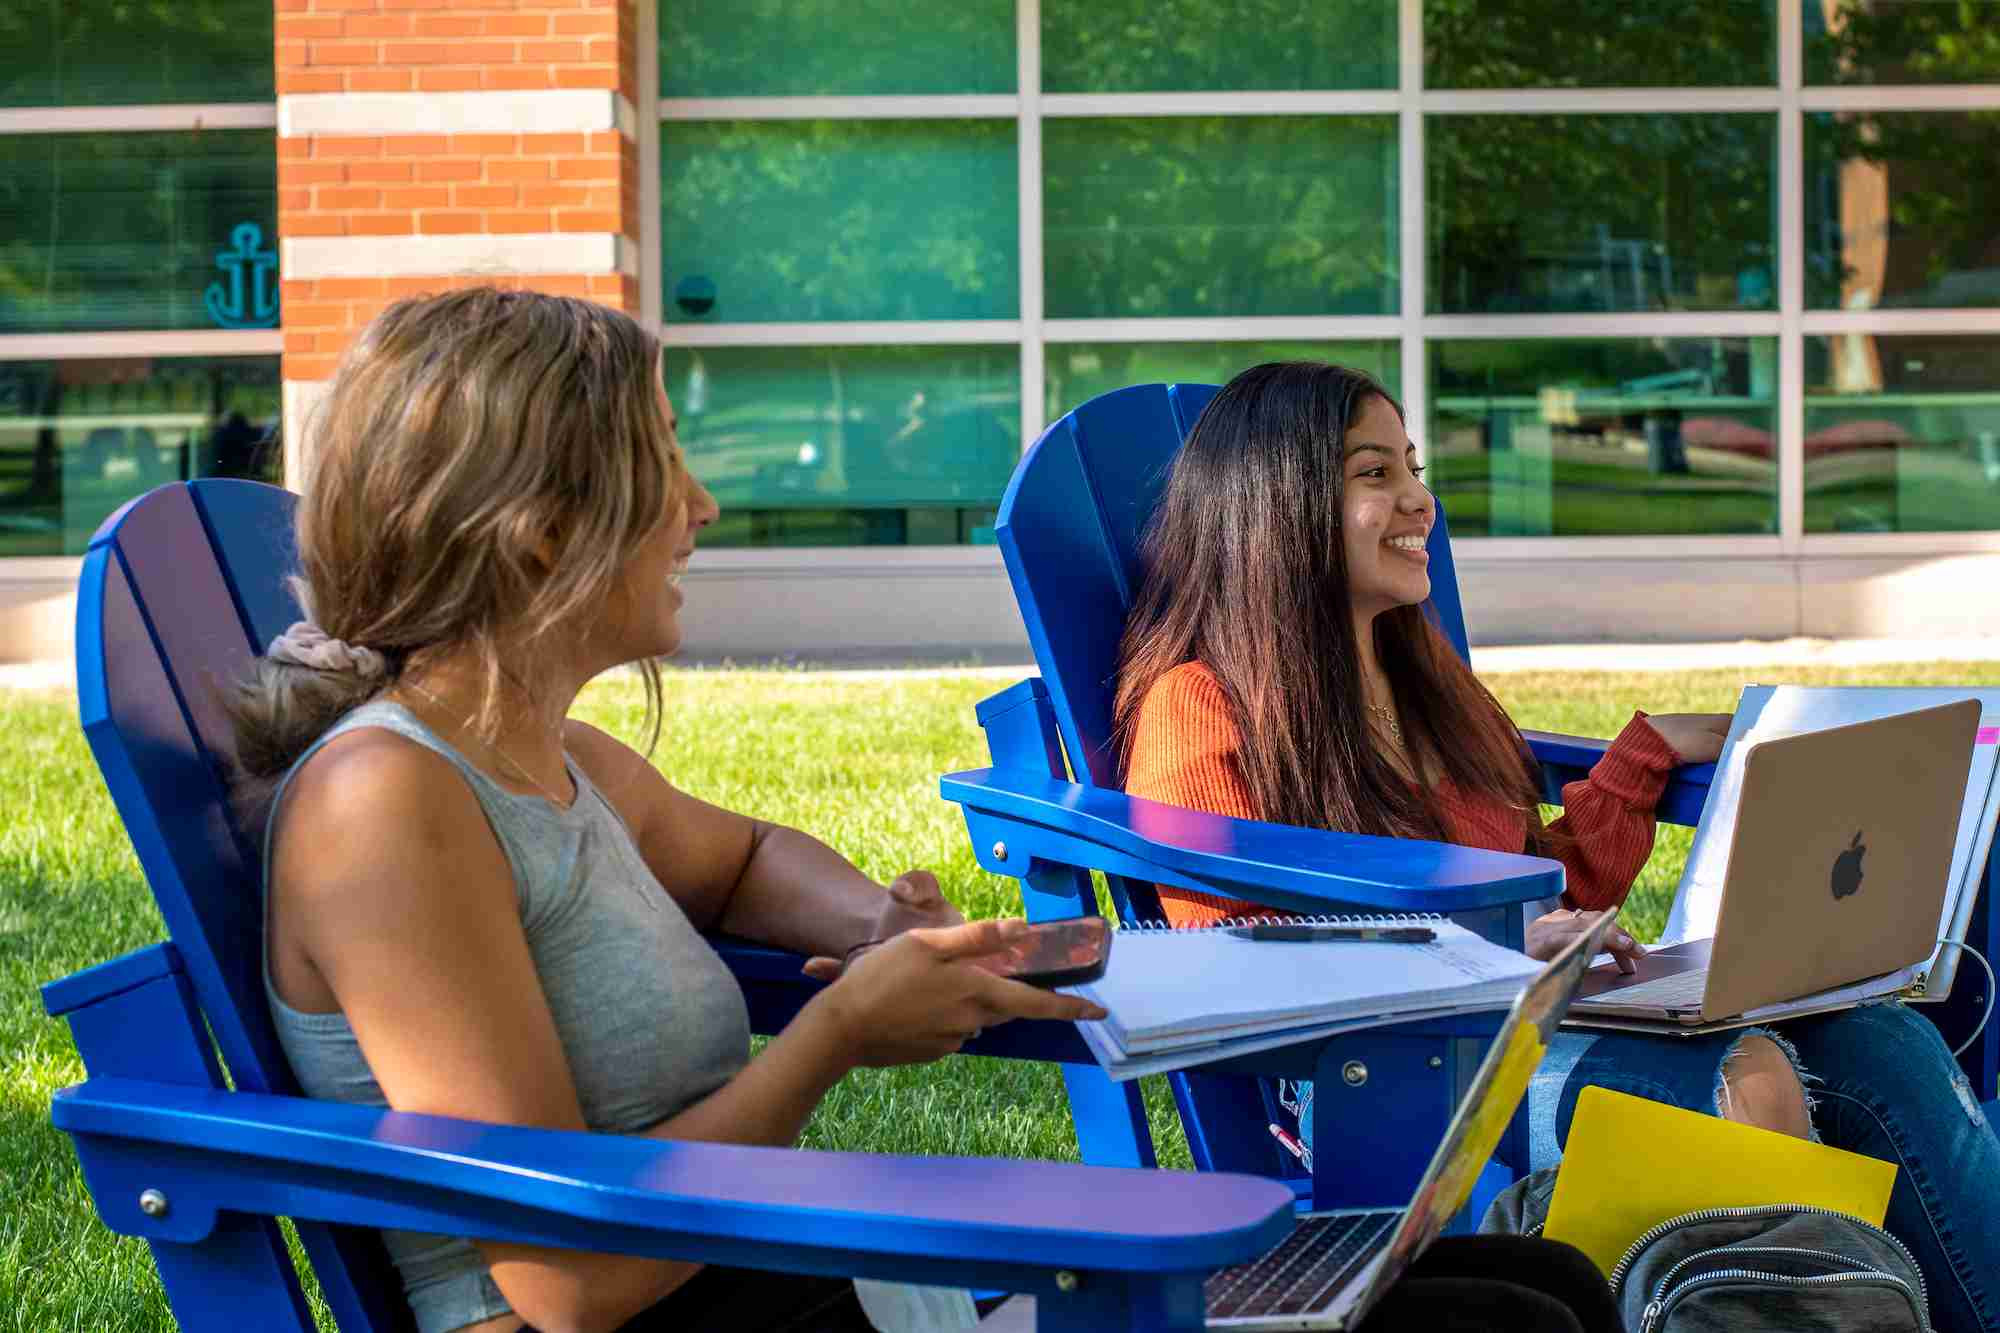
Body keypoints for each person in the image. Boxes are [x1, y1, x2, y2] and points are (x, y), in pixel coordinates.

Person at [228, 288, 1104, 1333]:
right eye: (664, 463)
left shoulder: (541, 755)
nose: (701, 506)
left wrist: (872, 928)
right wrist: (833, 1033)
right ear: (543, 533)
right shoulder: (384, 804)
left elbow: (739, 863)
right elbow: (567, 1281)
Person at [1115, 360, 2000, 1332]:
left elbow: (1548, 877)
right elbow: (1225, 940)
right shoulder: (1197, 707)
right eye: (1373, 473)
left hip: (1534, 1010)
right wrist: (1474, 956)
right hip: (1389, 1067)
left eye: (1410, 465)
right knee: (1744, 1081)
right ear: (1273, 504)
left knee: (1884, 1040)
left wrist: (1644, 753)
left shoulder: (1429, 693)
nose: (1419, 498)